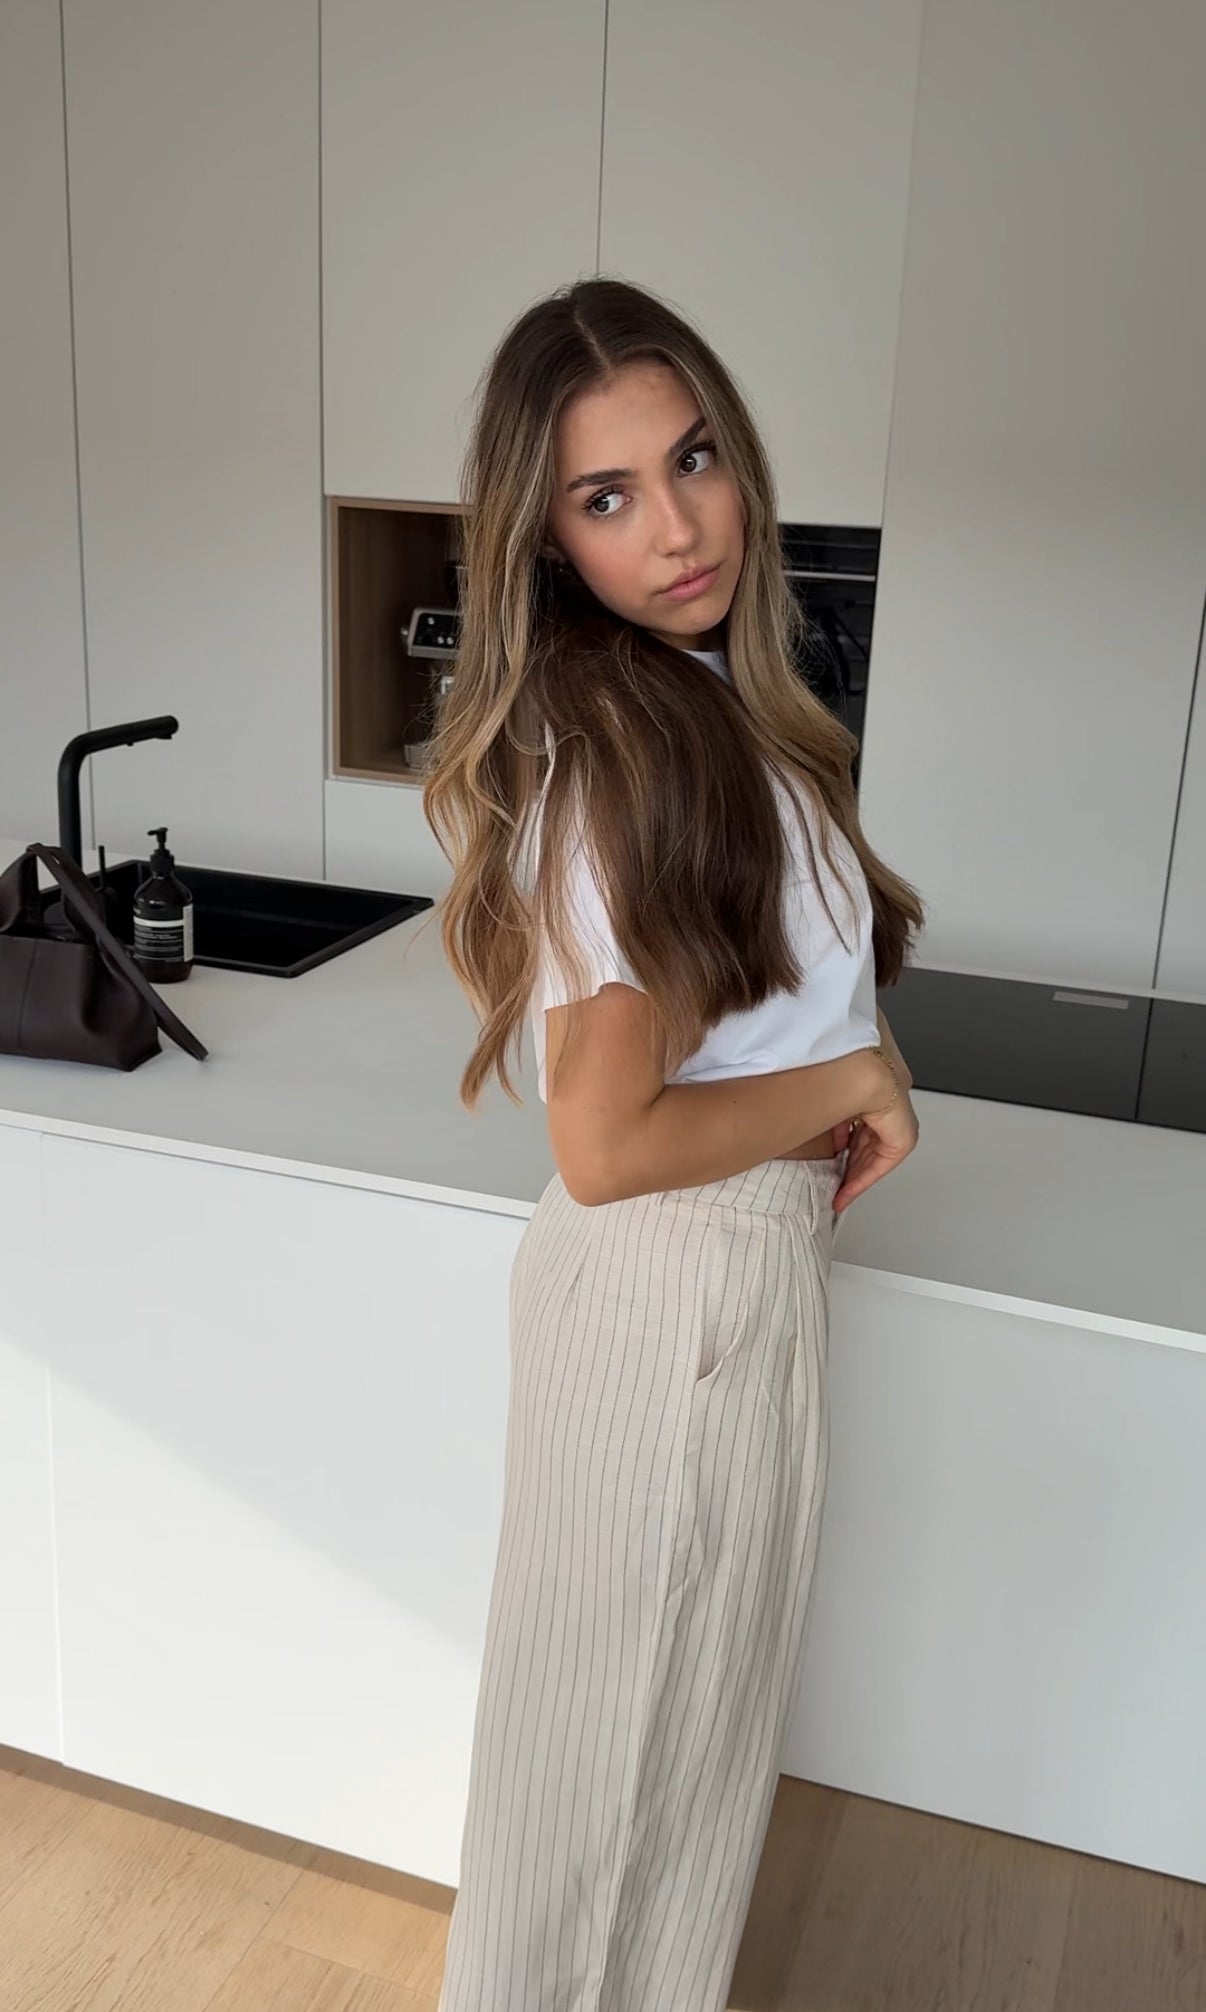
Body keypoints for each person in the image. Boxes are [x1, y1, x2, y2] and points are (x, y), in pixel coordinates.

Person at [421, 276, 924, 2012]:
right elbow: (611, 1140)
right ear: (547, 540)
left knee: (655, 1784)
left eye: (692, 458)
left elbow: (748, 1013)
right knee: (610, 1802)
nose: (677, 525)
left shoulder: (716, 714)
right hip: (677, 1290)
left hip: (704, 1290)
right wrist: (857, 1079)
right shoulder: (630, 757)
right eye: (606, 494)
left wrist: (846, 1064)